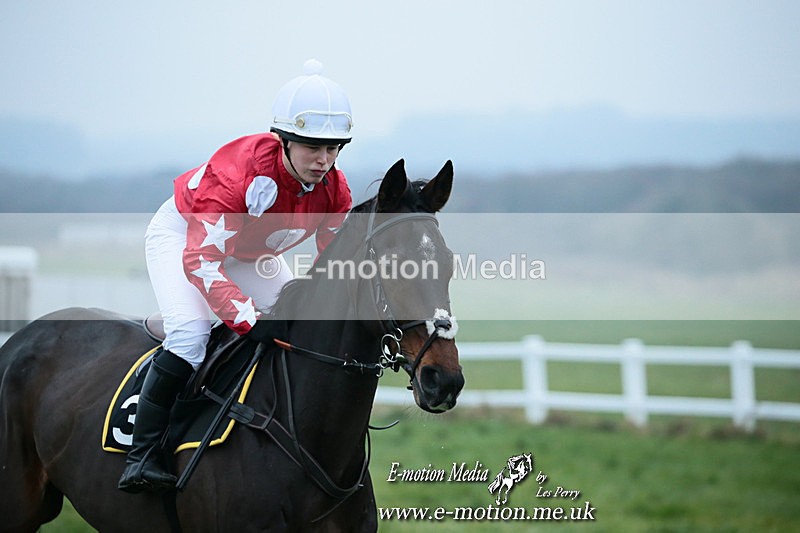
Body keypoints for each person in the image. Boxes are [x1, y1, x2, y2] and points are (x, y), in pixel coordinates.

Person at [118, 59, 354, 493]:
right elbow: (201, 260)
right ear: (283, 140)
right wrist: (248, 318)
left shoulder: (335, 190)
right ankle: (142, 456)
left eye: (334, 148)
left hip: (249, 252)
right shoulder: (238, 175)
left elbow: (334, 268)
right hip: (185, 238)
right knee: (190, 336)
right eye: (312, 147)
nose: (324, 160)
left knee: (298, 325)